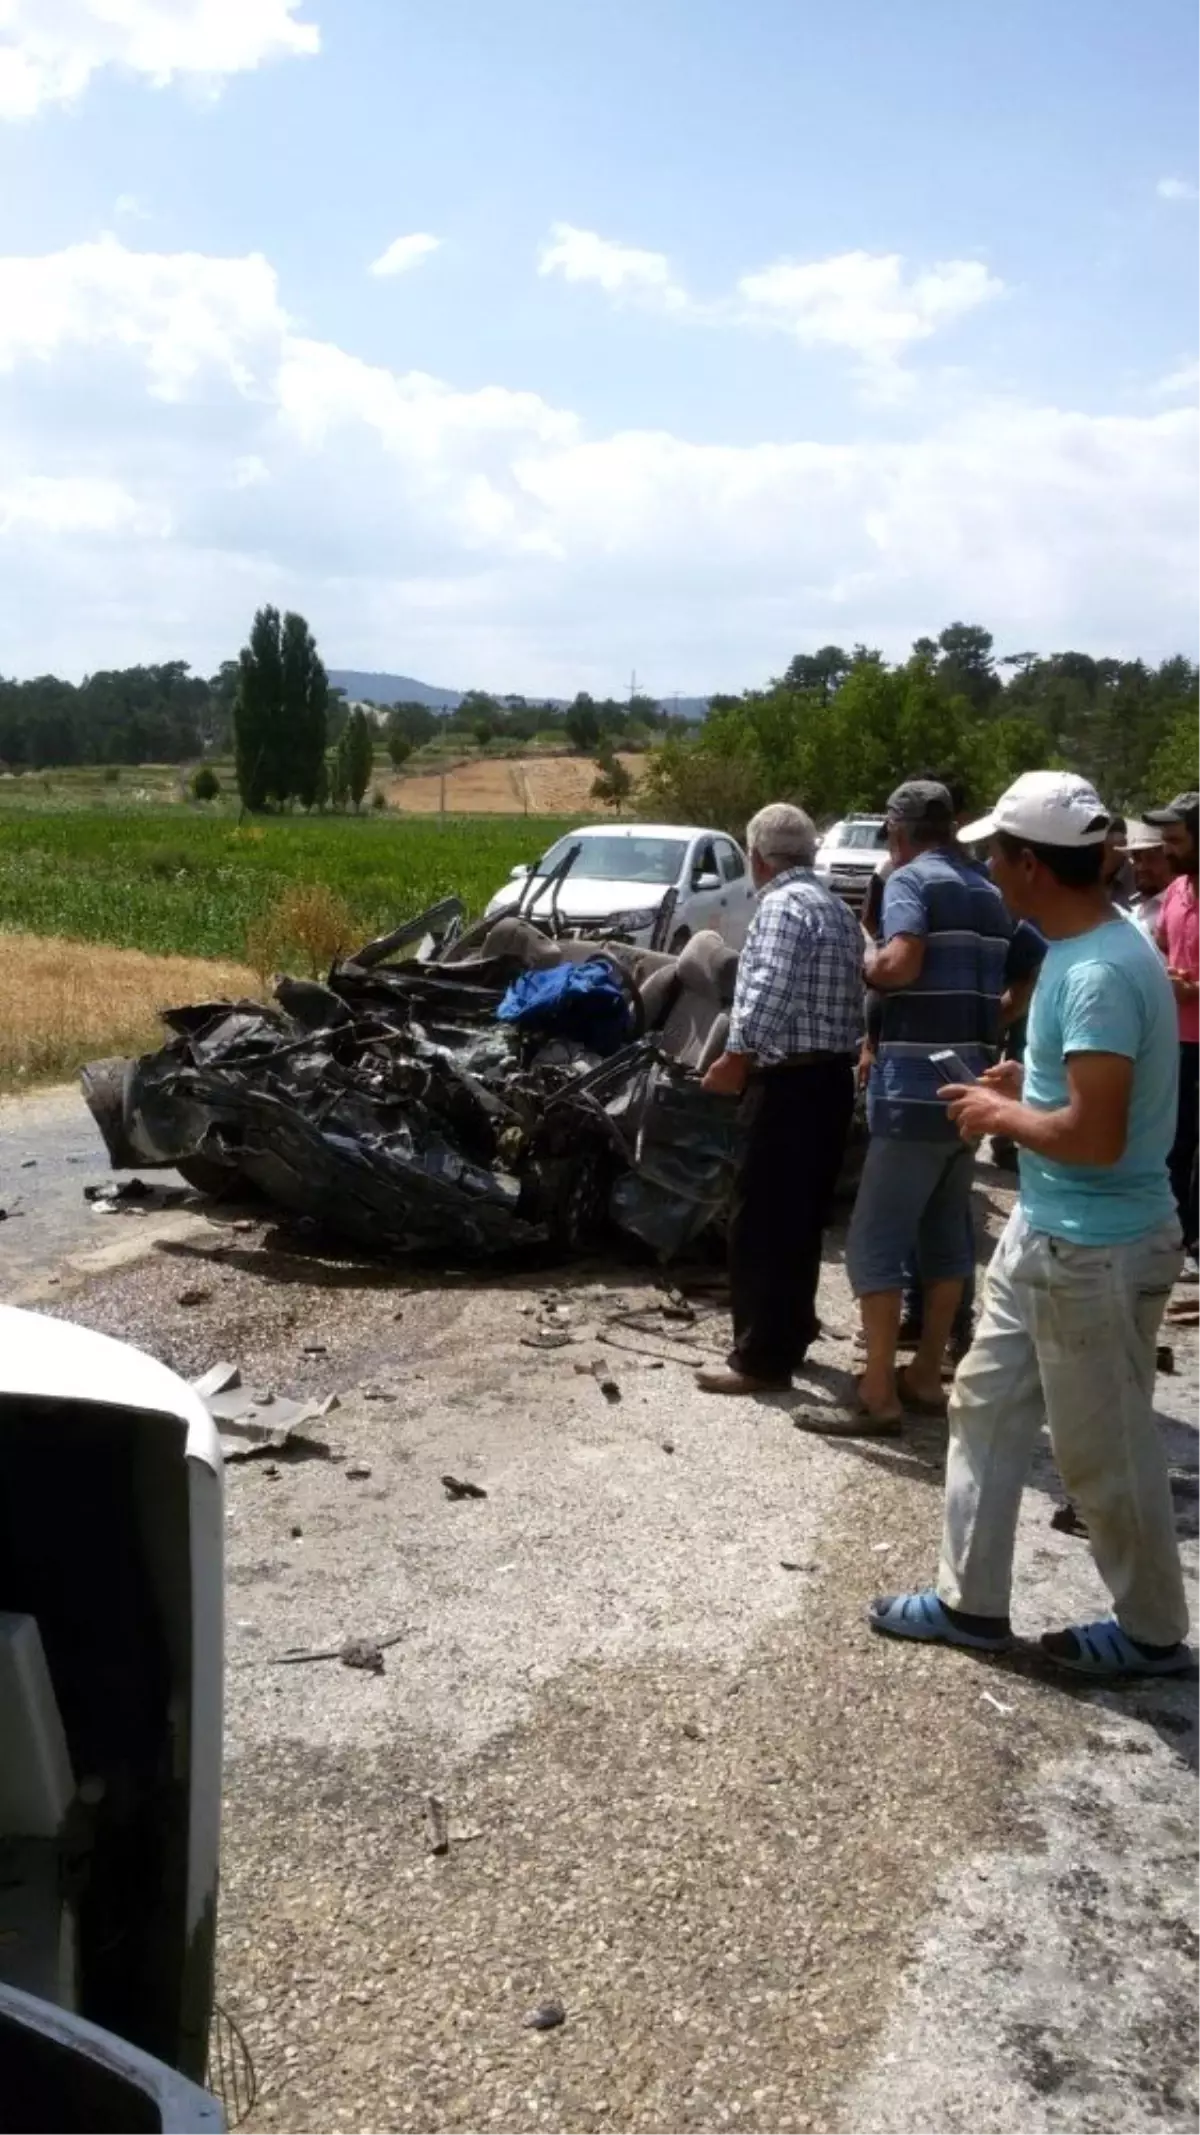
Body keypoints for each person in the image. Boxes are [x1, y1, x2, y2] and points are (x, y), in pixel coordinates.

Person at [870, 769, 1191, 1680]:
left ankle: (1154, 1633)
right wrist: (1027, 1088)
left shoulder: (1095, 972)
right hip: (1052, 1234)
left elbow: (1093, 1137)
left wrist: (999, 1116)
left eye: (997, 854)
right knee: (985, 1407)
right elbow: (1087, 1101)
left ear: (1031, 866)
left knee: (1103, 1451)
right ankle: (970, 1604)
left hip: (1091, 1248)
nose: (990, 870)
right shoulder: (1089, 949)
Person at [809, 780, 1012, 1436]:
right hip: (971, 1088)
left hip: (912, 1091)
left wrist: (867, 960)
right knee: (944, 1233)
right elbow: (1030, 965)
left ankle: (877, 1394)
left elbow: (901, 961)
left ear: (896, 832)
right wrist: (989, 1016)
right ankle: (925, 1373)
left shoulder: (907, 880)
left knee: (875, 1238)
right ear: (953, 827)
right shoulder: (988, 886)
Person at [697, 803, 863, 1396]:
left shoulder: (780, 907)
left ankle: (762, 1359)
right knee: (801, 1219)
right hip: (830, 1082)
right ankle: (792, 1330)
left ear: (757, 857)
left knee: (760, 1220)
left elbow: (767, 991)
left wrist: (733, 1059)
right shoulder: (838, 910)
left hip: (787, 1083)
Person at [1143, 792, 1200, 1271]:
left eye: (1176, 840)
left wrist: (1195, 987)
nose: (1167, 850)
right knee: (1174, 1138)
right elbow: (1165, 943)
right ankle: (1177, 1236)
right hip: (1175, 1039)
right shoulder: (1178, 890)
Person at [1124, 821, 1172, 942]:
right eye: (1136, 857)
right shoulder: (1134, 906)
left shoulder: (1183, 912)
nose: (1141, 867)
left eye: (1151, 858)